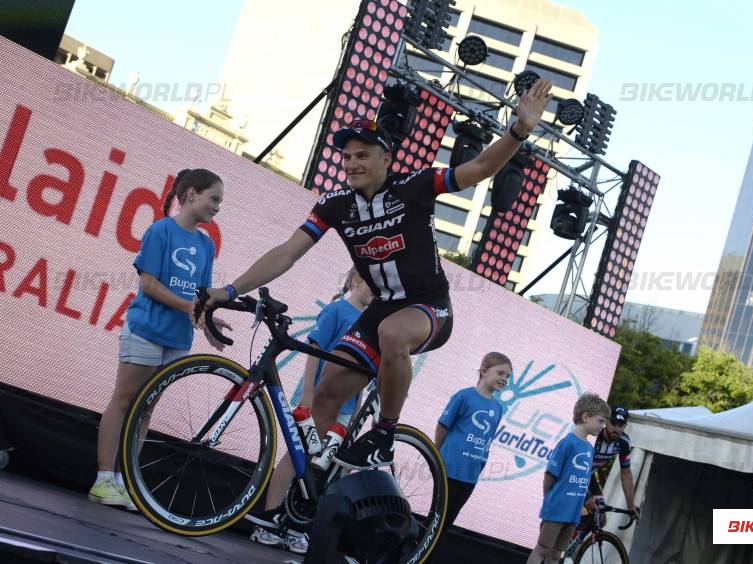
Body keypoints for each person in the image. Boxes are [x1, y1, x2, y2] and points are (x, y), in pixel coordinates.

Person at [201, 78, 553, 470]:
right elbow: (286, 253)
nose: (351, 163)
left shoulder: (416, 186)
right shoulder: (334, 205)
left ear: (386, 159)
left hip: (429, 307)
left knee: (392, 333)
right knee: (326, 394)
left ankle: (384, 434)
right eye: (346, 156)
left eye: (362, 155)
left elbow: (479, 167)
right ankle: (289, 506)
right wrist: (230, 289)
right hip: (383, 310)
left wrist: (519, 131)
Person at [88, 169, 230, 509]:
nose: (217, 208)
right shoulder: (160, 231)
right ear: (191, 194)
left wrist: (209, 325)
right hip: (147, 329)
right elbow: (149, 284)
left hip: (177, 339)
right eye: (214, 199)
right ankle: (103, 478)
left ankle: (124, 482)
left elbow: (201, 296)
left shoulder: (206, 244)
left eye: (220, 203)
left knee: (146, 408)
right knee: (124, 399)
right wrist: (189, 308)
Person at [250, 267, 373, 553]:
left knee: (322, 470)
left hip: (345, 409)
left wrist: (354, 413)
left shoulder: (369, 323)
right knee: (297, 457)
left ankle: (295, 527)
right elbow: (313, 353)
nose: (377, 293)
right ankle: (267, 521)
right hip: (320, 401)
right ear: (356, 281)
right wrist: (307, 394)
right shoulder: (336, 311)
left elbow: (362, 373)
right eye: (372, 286)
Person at [526, 394, 610, 564]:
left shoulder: (588, 448)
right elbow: (550, 475)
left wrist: (587, 498)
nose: (604, 426)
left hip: (573, 513)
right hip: (557, 509)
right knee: (542, 549)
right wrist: (550, 499)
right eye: (601, 421)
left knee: (556, 555)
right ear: (586, 417)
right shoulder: (567, 443)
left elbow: (582, 480)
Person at [434, 352, 510, 528]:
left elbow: (487, 440)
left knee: (447, 523)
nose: (505, 379)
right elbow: (442, 427)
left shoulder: (498, 408)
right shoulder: (464, 396)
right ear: (484, 371)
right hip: (449, 469)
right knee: (436, 521)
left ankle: (431, 555)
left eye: (508, 376)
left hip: (470, 475)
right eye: (500, 373)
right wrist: (437, 455)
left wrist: (480, 465)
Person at [589, 405, 640, 517]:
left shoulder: (624, 442)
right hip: (575, 475)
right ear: (606, 421)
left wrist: (630, 506)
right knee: (584, 509)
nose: (616, 429)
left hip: (590, 478)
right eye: (613, 423)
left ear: (625, 426)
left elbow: (626, 474)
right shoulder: (595, 435)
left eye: (620, 425)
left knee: (601, 517)